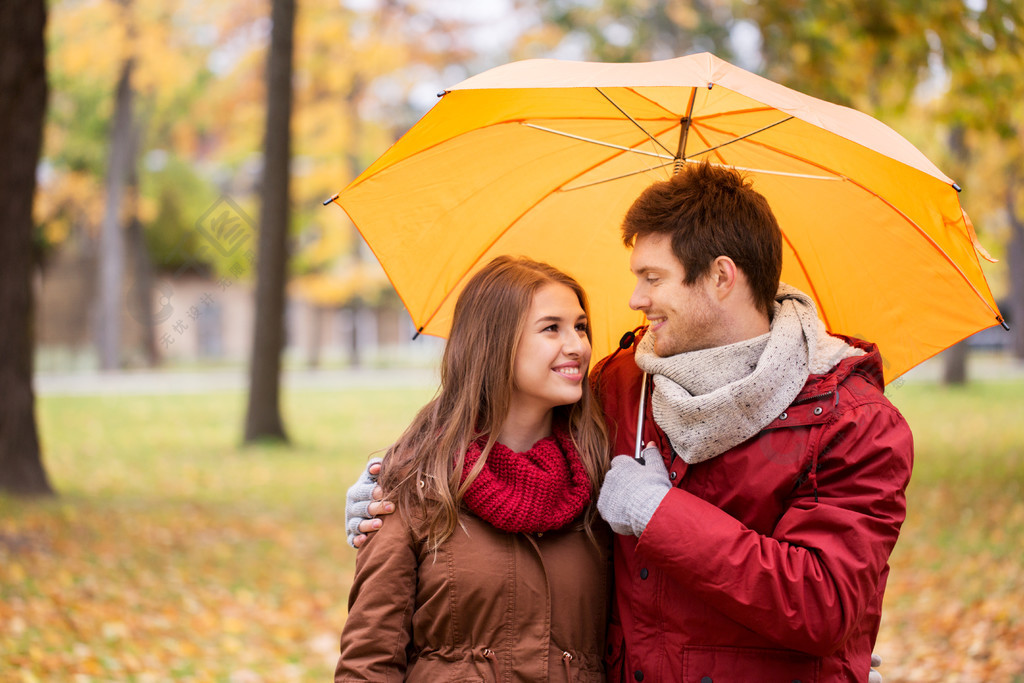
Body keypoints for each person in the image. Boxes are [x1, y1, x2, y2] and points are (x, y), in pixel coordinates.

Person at [348, 162, 910, 682]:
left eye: (653, 277)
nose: (636, 298)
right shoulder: (622, 386)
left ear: (720, 277)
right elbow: (502, 444)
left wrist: (659, 512)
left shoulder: (852, 421)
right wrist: (389, 497)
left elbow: (825, 605)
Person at [335, 256, 612, 682]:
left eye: (580, 326)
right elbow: (369, 661)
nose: (577, 345)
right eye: (551, 328)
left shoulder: (600, 481)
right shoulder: (416, 483)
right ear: (496, 342)